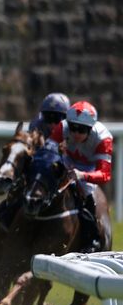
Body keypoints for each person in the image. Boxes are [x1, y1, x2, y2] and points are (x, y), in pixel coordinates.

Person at [0, 92, 71, 228]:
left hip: (64, 167)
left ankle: (92, 232)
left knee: (85, 195)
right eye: (48, 117)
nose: (52, 124)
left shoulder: (72, 129)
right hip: (42, 166)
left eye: (57, 119)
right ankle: (7, 213)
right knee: (22, 184)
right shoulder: (36, 125)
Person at [47, 101, 112, 253]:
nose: (75, 133)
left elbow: (105, 174)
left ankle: (92, 239)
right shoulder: (62, 127)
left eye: (81, 130)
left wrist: (82, 175)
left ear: (91, 129)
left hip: (88, 168)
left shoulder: (104, 139)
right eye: (73, 127)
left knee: (87, 194)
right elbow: (47, 153)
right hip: (67, 160)